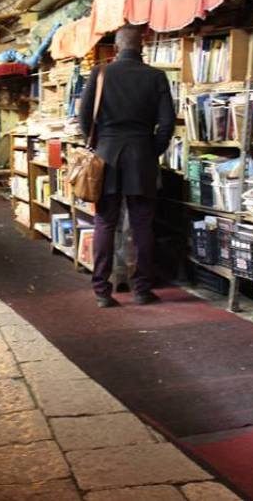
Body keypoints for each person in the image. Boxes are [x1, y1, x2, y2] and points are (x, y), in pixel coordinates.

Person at [78, 23, 174, 308]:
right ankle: (142, 289)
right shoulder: (156, 77)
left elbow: (84, 117)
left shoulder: (101, 73)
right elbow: (167, 122)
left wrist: (96, 145)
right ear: (141, 47)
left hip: (106, 155)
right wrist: (152, 150)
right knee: (143, 224)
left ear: (116, 48)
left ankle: (101, 291)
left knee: (105, 223)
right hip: (142, 156)